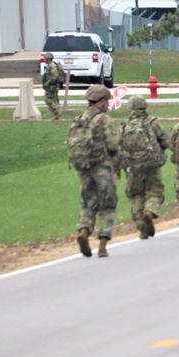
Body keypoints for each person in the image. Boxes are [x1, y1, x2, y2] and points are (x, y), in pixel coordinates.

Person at [66, 84, 120, 257]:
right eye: (107, 101)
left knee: (88, 203)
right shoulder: (105, 120)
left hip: (83, 168)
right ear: (101, 102)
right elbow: (113, 144)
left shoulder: (78, 120)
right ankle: (103, 243)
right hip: (102, 167)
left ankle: (84, 231)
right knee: (108, 204)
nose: (108, 105)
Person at [117, 96, 170, 239]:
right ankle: (150, 212)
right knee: (154, 192)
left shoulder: (124, 126)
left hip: (132, 168)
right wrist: (161, 151)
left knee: (135, 196)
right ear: (144, 106)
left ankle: (141, 227)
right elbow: (166, 140)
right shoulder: (152, 122)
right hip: (152, 164)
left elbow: (118, 148)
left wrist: (118, 168)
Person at [41, 52, 67, 120]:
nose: (44, 60)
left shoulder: (52, 66)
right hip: (52, 85)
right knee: (54, 99)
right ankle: (56, 114)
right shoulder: (51, 65)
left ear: (47, 58)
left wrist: (48, 83)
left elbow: (55, 76)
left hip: (52, 86)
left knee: (48, 99)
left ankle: (56, 113)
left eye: (45, 58)